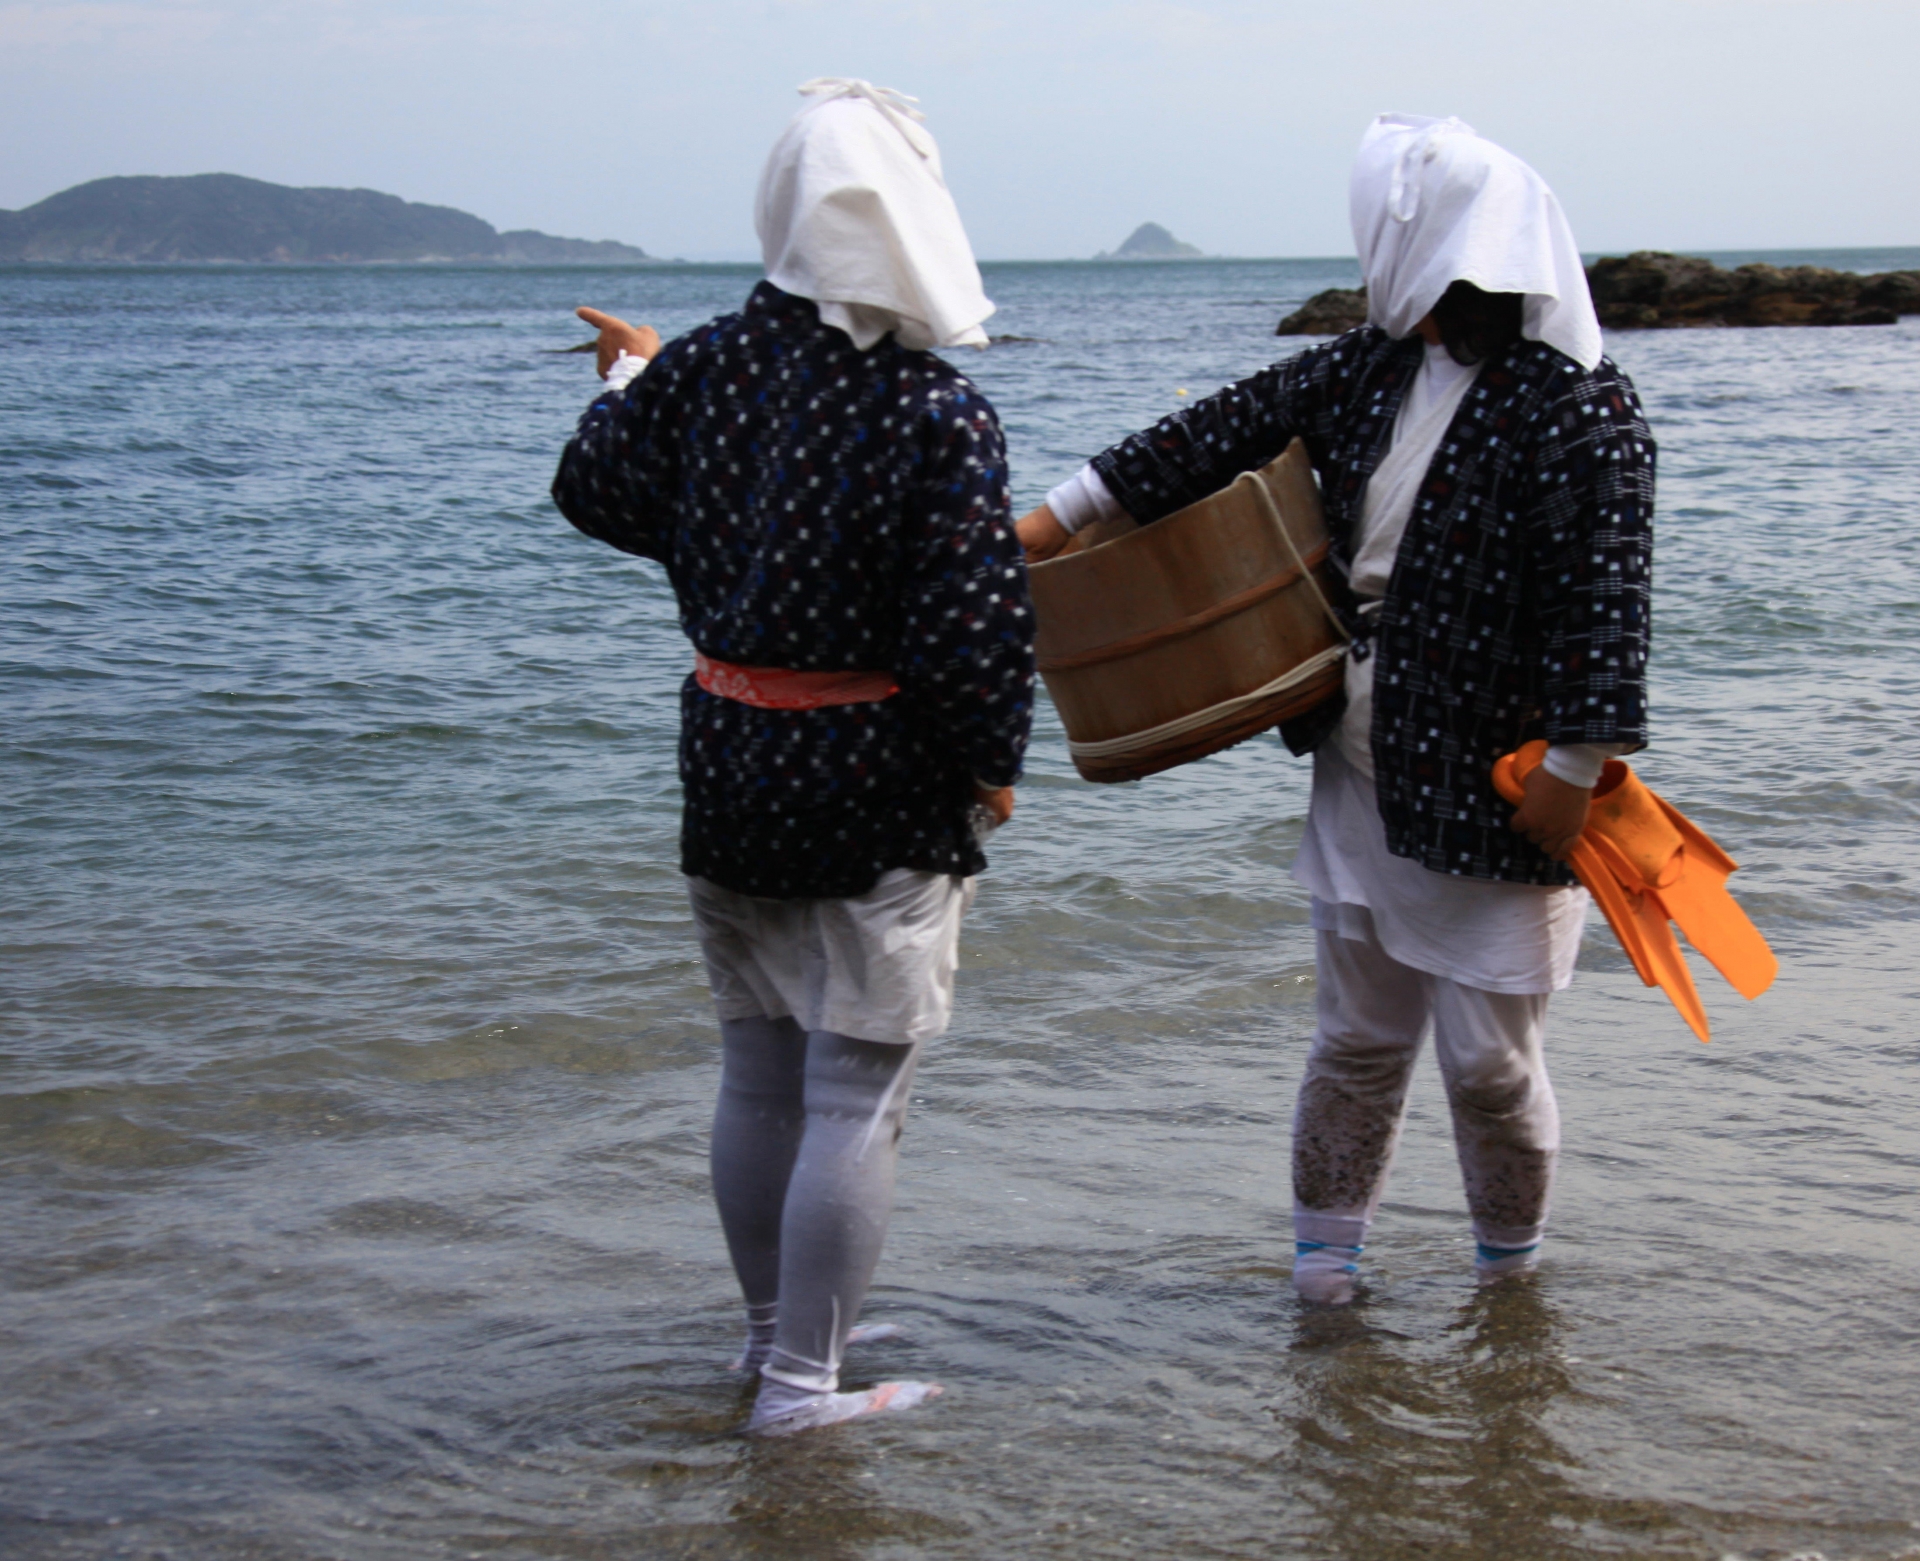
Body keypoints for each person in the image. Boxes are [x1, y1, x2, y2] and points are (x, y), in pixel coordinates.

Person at [1019, 114, 1654, 1303]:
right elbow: (1213, 433)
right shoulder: (1372, 365)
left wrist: (1578, 763)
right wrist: (1061, 512)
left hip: (1497, 784)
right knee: (1356, 1039)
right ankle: (1325, 1279)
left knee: (1488, 1064)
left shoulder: (1580, 409)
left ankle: (1507, 1283)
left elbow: (1604, 602)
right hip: (1364, 763)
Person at [552, 78, 1035, 1427]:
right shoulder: (935, 410)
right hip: (874, 774)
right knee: (857, 1094)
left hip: (729, 753)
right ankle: (805, 1388)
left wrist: (639, 380)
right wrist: (993, 763)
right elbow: (974, 629)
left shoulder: (705, 367)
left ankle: (768, 1340)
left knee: (759, 1068)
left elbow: (595, 484)